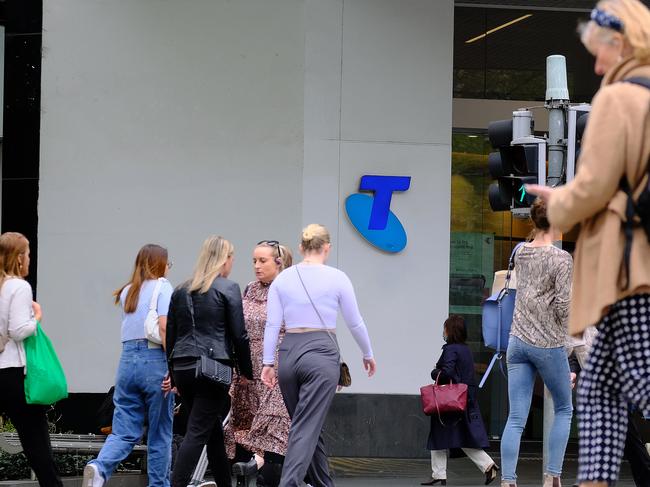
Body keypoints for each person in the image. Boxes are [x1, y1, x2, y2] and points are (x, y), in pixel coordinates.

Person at [527, 1, 650, 485]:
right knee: (599, 392)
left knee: (641, 380)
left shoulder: (618, 98)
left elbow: (595, 185)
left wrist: (556, 203)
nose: (596, 66)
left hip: (627, 268)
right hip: (633, 264)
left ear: (619, 43)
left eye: (598, 53)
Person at [261, 223, 377, 487]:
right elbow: (355, 322)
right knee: (306, 425)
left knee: (308, 424)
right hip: (321, 352)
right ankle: (288, 483)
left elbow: (272, 324)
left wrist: (268, 362)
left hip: (288, 353)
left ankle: (324, 484)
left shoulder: (283, 279)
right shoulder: (337, 278)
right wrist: (367, 353)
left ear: (301, 247)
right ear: (327, 247)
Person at [83, 244, 174, 487]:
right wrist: (172, 369)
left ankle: (99, 468)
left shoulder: (127, 291)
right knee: (160, 432)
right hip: (154, 360)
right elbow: (164, 327)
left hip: (126, 362)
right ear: (159, 264)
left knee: (123, 431)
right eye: (168, 263)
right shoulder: (163, 287)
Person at [166, 235, 254, 487]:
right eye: (231, 258)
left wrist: (171, 372)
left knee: (211, 428)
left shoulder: (180, 289)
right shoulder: (228, 288)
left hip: (183, 366)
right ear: (225, 259)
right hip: (213, 368)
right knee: (197, 432)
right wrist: (247, 372)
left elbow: (171, 335)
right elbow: (239, 334)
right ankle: (177, 484)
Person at [499, 199, 574, 487]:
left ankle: (508, 481)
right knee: (565, 408)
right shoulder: (561, 259)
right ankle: (552, 476)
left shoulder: (520, 252)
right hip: (548, 343)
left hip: (517, 341)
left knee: (516, 417)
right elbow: (564, 309)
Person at [229, 241, 294, 487]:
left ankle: (265, 470)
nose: (256, 266)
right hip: (249, 366)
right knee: (247, 422)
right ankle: (255, 465)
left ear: (279, 262)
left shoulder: (290, 289)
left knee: (275, 422)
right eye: (254, 261)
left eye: (262, 261)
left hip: (278, 363)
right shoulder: (250, 289)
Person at [0, 232, 63, 487]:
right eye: (27, 254)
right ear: (18, 258)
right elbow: (17, 330)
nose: (29, 259)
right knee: (37, 444)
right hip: (16, 372)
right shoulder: (19, 286)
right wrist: (36, 317)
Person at [422, 315, 499, 486]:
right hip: (464, 398)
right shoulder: (465, 349)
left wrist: (435, 373)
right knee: (459, 435)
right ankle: (486, 466)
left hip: (449, 400)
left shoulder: (450, 349)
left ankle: (440, 473)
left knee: (441, 434)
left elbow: (447, 372)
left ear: (450, 330)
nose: (444, 332)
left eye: (445, 328)